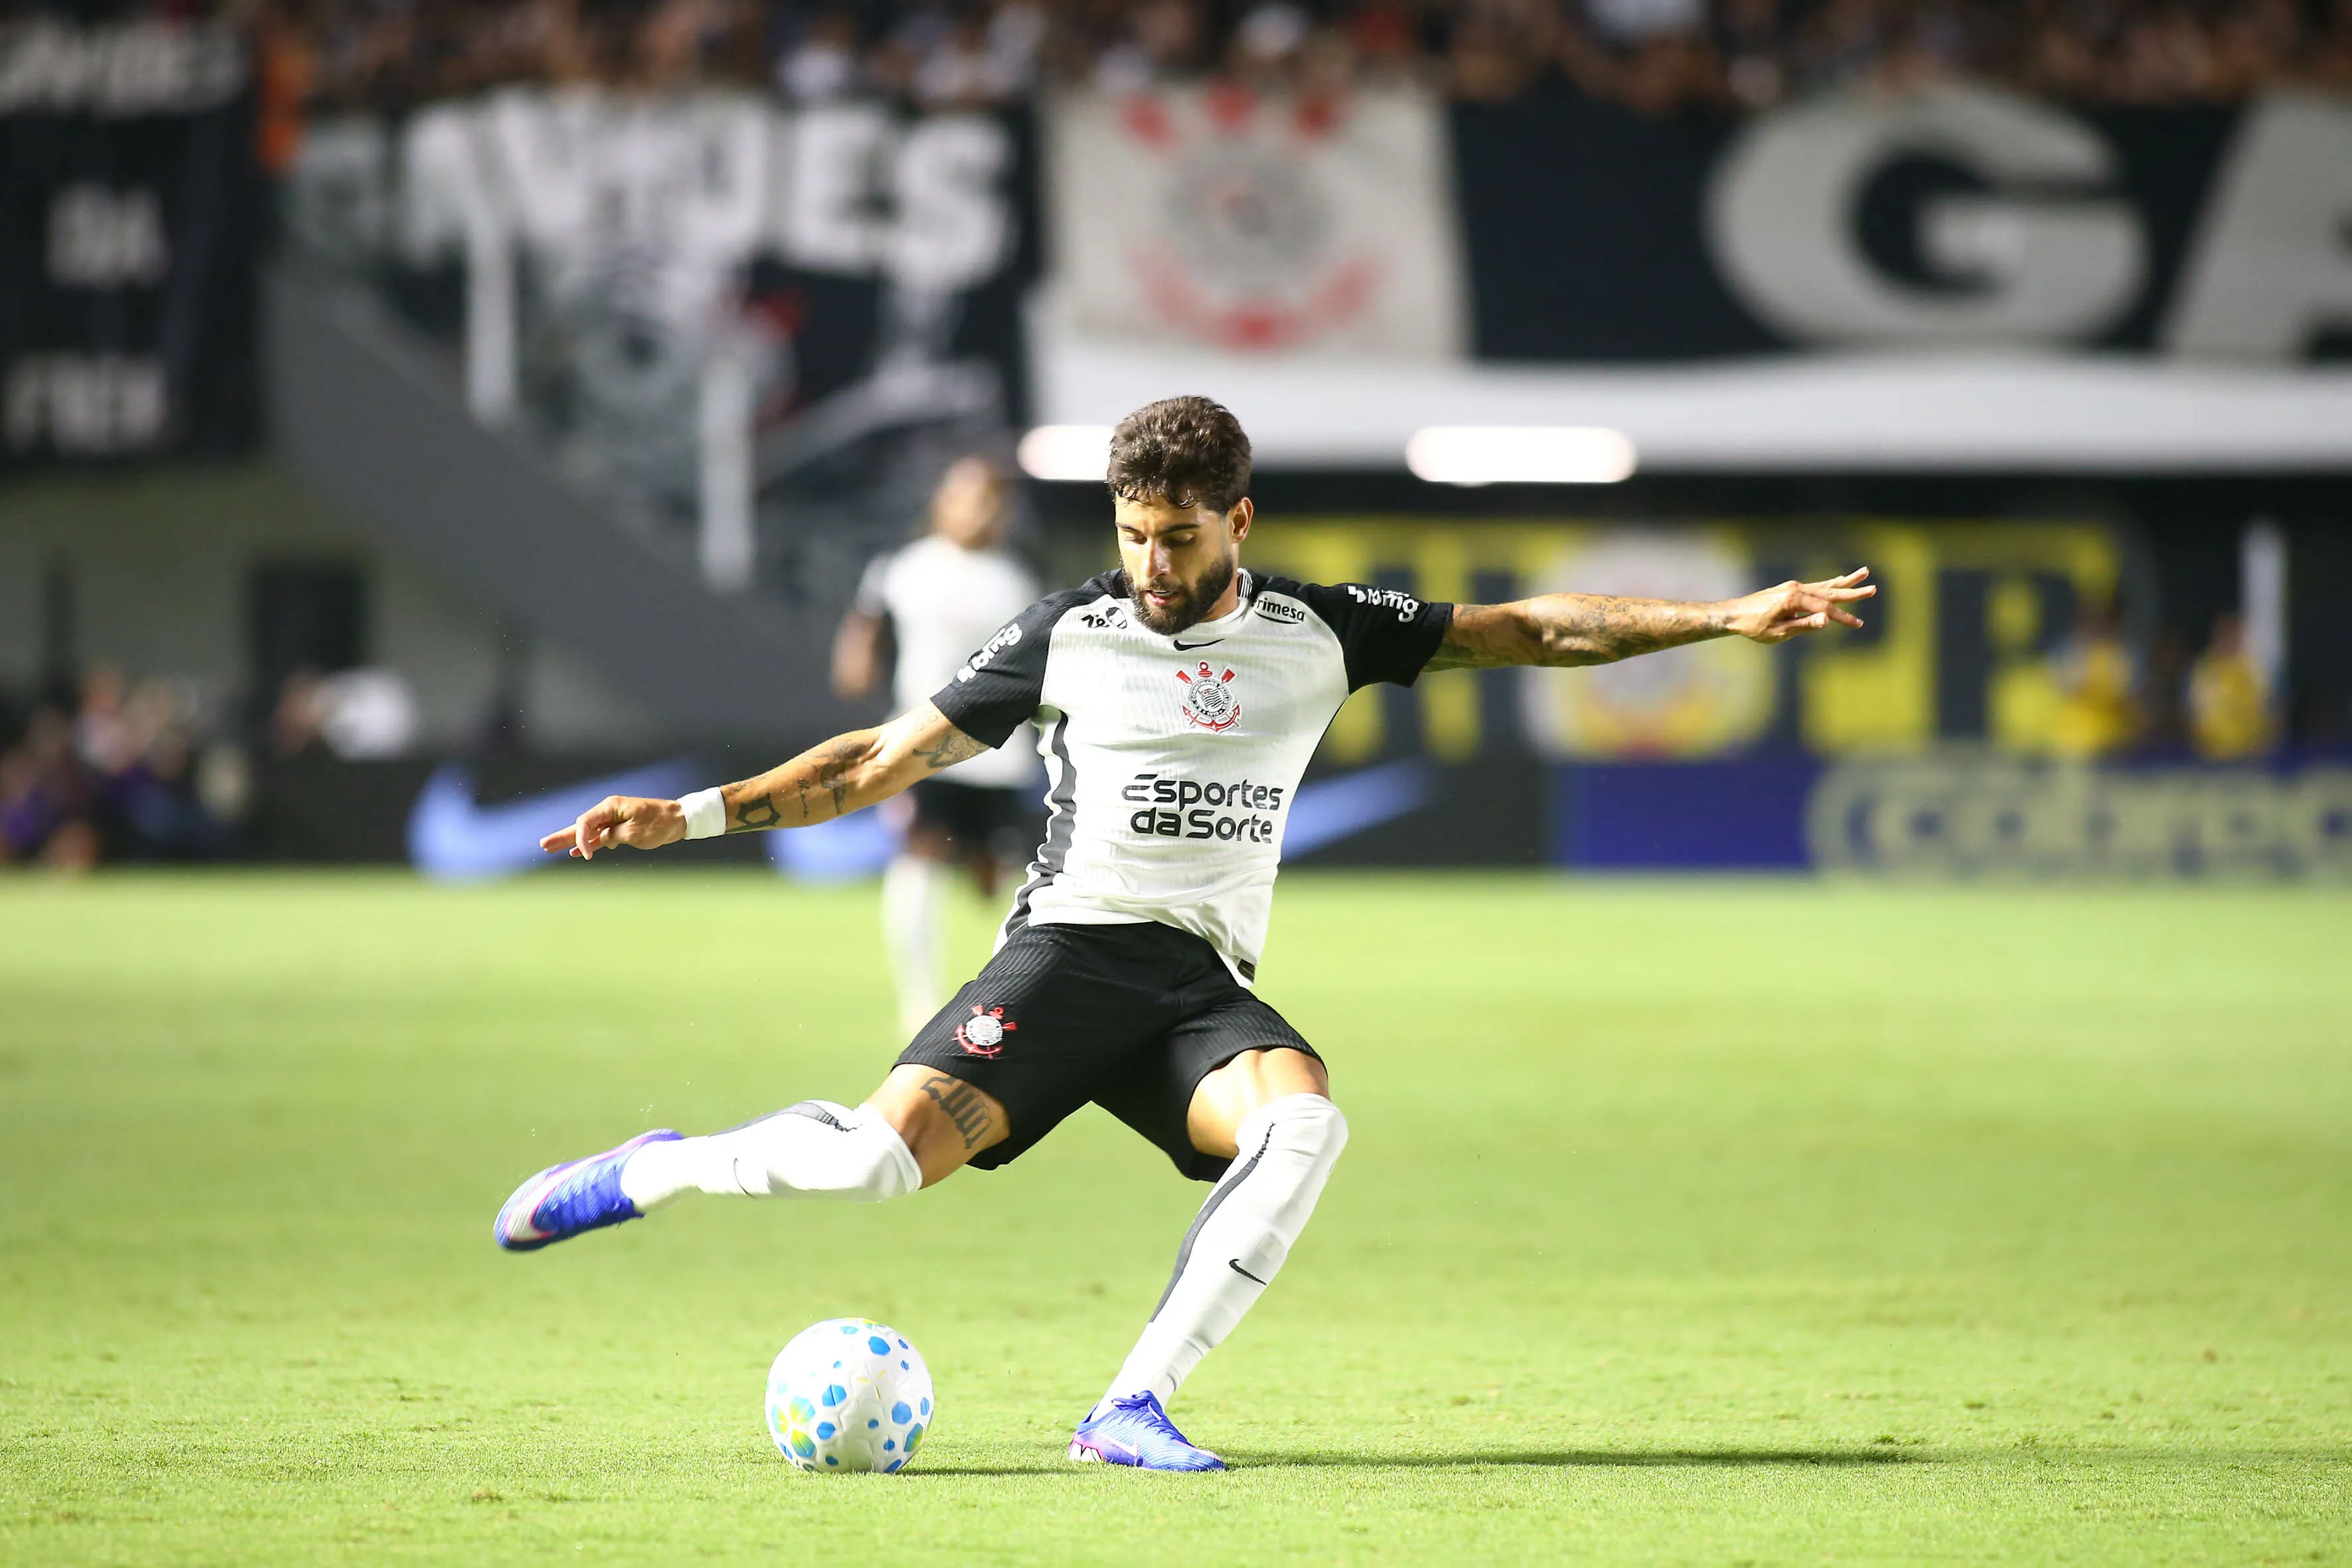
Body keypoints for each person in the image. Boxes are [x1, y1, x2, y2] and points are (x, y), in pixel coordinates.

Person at [497, 396, 1875, 1470]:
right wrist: (679, 816)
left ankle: (1129, 1403)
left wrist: (1722, 616)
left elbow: (1529, 628)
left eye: (1178, 535)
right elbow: (873, 763)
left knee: (1306, 1122)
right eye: (1130, 532)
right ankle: (662, 1166)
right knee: (871, 1167)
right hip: (1067, 956)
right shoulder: (1068, 630)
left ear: (1238, 520)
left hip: (1198, 993)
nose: (1149, 563)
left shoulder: (1322, 630)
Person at [834, 455, 1044, 1035]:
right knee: (918, 857)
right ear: (941, 502)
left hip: (998, 757)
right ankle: (919, 1002)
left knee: (996, 879)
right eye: (965, 496)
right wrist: (858, 663)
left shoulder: (1018, 578)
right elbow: (863, 639)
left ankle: (1010, 994)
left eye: (989, 499)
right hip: (922, 747)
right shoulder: (903, 568)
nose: (977, 510)